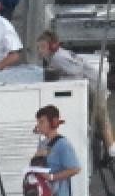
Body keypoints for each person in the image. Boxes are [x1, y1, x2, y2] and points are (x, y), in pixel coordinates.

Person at [36, 30, 115, 162]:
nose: (39, 50)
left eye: (42, 47)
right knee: (94, 118)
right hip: (93, 81)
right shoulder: (57, 55)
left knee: (101, 118)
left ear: (52, 46)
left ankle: (111, 151)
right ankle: (104, 148)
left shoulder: (57, 58)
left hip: (94, 84)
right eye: (38, 47)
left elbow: (77, 70)